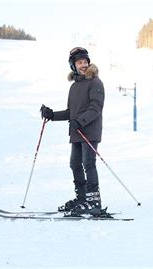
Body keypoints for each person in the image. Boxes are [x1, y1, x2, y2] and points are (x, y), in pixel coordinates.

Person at [40, 47, 105, 216]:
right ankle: (82, 199)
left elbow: (96, 108)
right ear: (73, 66)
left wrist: (79, 121)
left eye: (85, 62)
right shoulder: (75, 86)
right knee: (75, 164)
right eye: (79, 62)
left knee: (88, 164)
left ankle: (94, 202)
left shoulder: (95, 82)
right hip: (76, 131)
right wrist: (52, 115)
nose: (83, 65)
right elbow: (71, 112)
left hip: (89, 130)